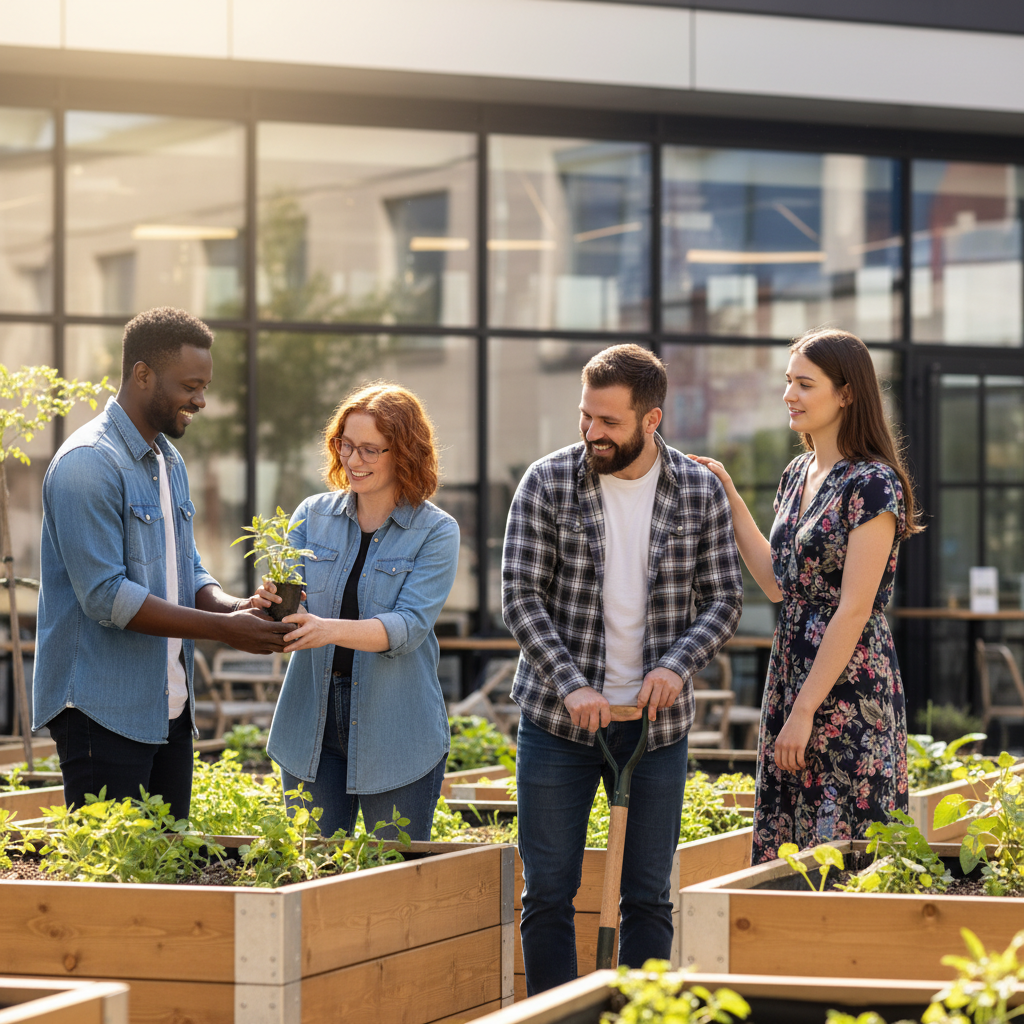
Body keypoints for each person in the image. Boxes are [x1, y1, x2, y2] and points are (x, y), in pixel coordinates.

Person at [502, 343, 743, 995]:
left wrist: (677, 665)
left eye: (608, 422)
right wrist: (572, 683)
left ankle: (639, 1013)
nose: (592, 433)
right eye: (586, 416)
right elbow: (519, 596)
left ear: (652, 419)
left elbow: (724, 598)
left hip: (655, 731)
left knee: (647, 896)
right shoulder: (548, 482)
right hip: (558, 725)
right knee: (548, 892)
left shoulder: (697, 491)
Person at [34, 307, 291, 820]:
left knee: (166, 877)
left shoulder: (167, 461)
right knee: (112, 884)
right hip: (100, 710)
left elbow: (187, 570)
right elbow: (107, 596)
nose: (200, 399)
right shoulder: (88, 464)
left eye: (205, 386)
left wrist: (236, 607)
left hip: (167, 706)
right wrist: (225, 631)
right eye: (190, 385)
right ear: (142, 373)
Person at [689, 327, 922, 865]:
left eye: (805, 383)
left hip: (846, 687)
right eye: (788, 381)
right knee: (787, 838)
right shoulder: (798, 473)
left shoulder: (873, 483)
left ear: (846, 393)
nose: (789, 395)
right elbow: (776, 583)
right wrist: (727, 491)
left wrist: (805, 710)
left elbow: (855, 608)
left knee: (845, 842)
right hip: (793, 672)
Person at [257, 382, 459, 841]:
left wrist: (327, 629)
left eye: (370, 449)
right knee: (314, 873)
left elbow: (408, 628)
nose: (353, 460)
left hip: (398, 730)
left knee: (394, 876)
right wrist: (271, 604)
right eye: (345, 445)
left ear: (404, 453)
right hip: (311, 722)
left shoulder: (435, 532)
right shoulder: (312, 515)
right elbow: (293, 606)